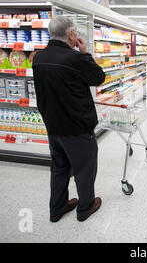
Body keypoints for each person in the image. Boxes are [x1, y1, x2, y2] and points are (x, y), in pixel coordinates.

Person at [32, 16, 105, 223]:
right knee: (84, 168)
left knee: (59, 168)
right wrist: (85, 54)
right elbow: (98, 78)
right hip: (77, 127)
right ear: (71, 34)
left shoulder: (38, 58)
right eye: (75, 32)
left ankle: (57, 208)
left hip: (53, 126)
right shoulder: (75, 59)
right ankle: (85, 206)